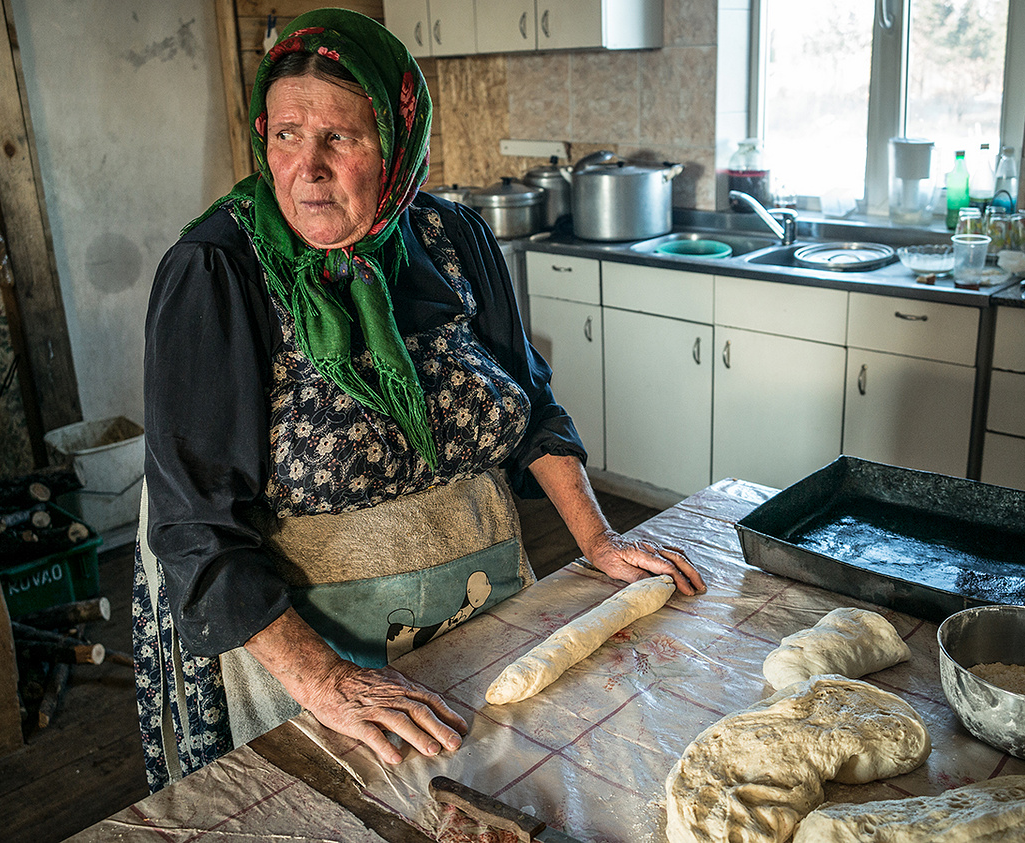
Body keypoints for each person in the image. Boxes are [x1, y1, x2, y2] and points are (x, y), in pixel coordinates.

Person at [133, 8, 705, 792]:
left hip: (490, 611)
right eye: (287, 134)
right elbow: (196, 528)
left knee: (518, 800)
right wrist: (327, 681)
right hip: (317, 657)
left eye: (341, 138)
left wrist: (598, 540)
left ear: (397, 149)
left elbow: (530, 404)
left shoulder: (453, 238)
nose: (307, 168)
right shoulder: (217, 273)